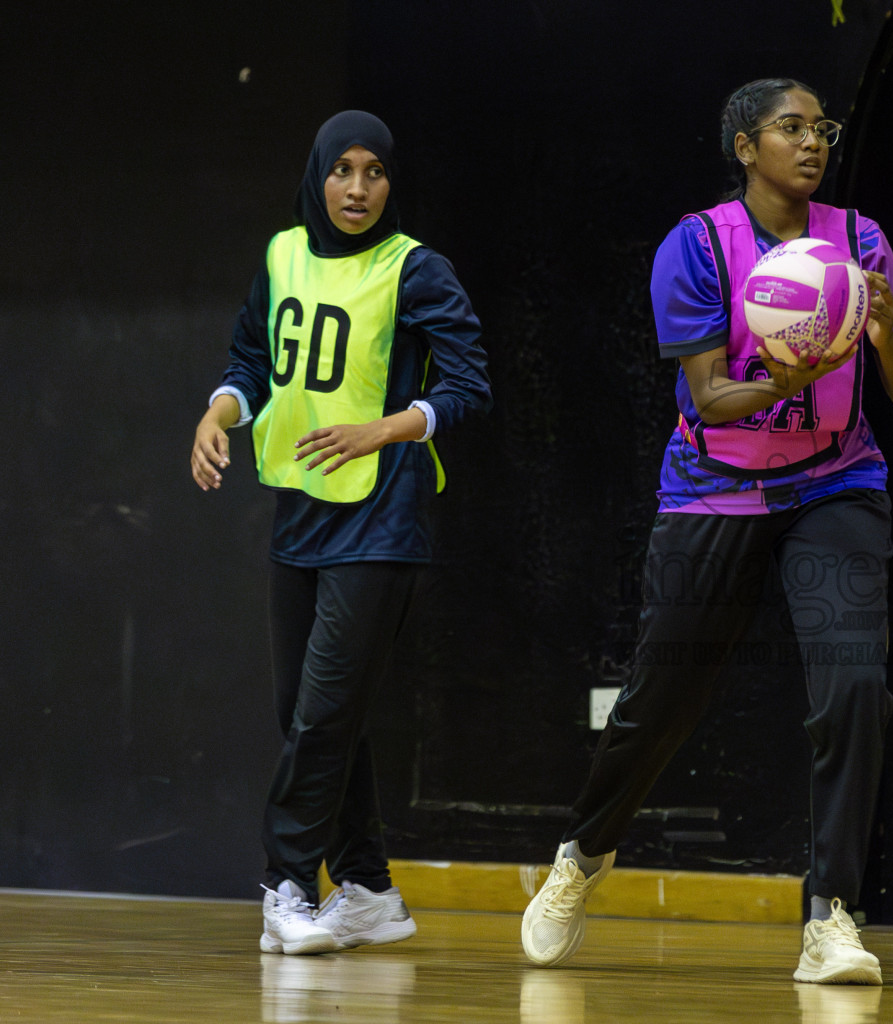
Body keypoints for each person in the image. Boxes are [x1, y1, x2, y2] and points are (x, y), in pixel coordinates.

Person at [520, 78, 893, 985]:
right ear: (745, 146)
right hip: (716, 490)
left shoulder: (859, 242)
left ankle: (830, 915)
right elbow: (708, 397)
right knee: (658, 701)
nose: (812, 141)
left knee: (853, 687)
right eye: (790, 128)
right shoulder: (699, 245)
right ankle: (582, 858)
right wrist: (802, 362)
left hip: (835, 481)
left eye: (820, 128)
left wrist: (885, 335)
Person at [189, 110, 492, 955]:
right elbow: (253, 357)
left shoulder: (415, 270)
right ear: (317, 175)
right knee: (312, 714)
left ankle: (286, 882)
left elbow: (469, 386)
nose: (357, 189)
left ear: (392, 183)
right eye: (342, 171)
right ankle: (367, 890)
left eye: (375, 172)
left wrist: (385, 428)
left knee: (323, 715)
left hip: (381, 519)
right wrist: (220, 411)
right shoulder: (284, 254)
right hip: (300, 513)